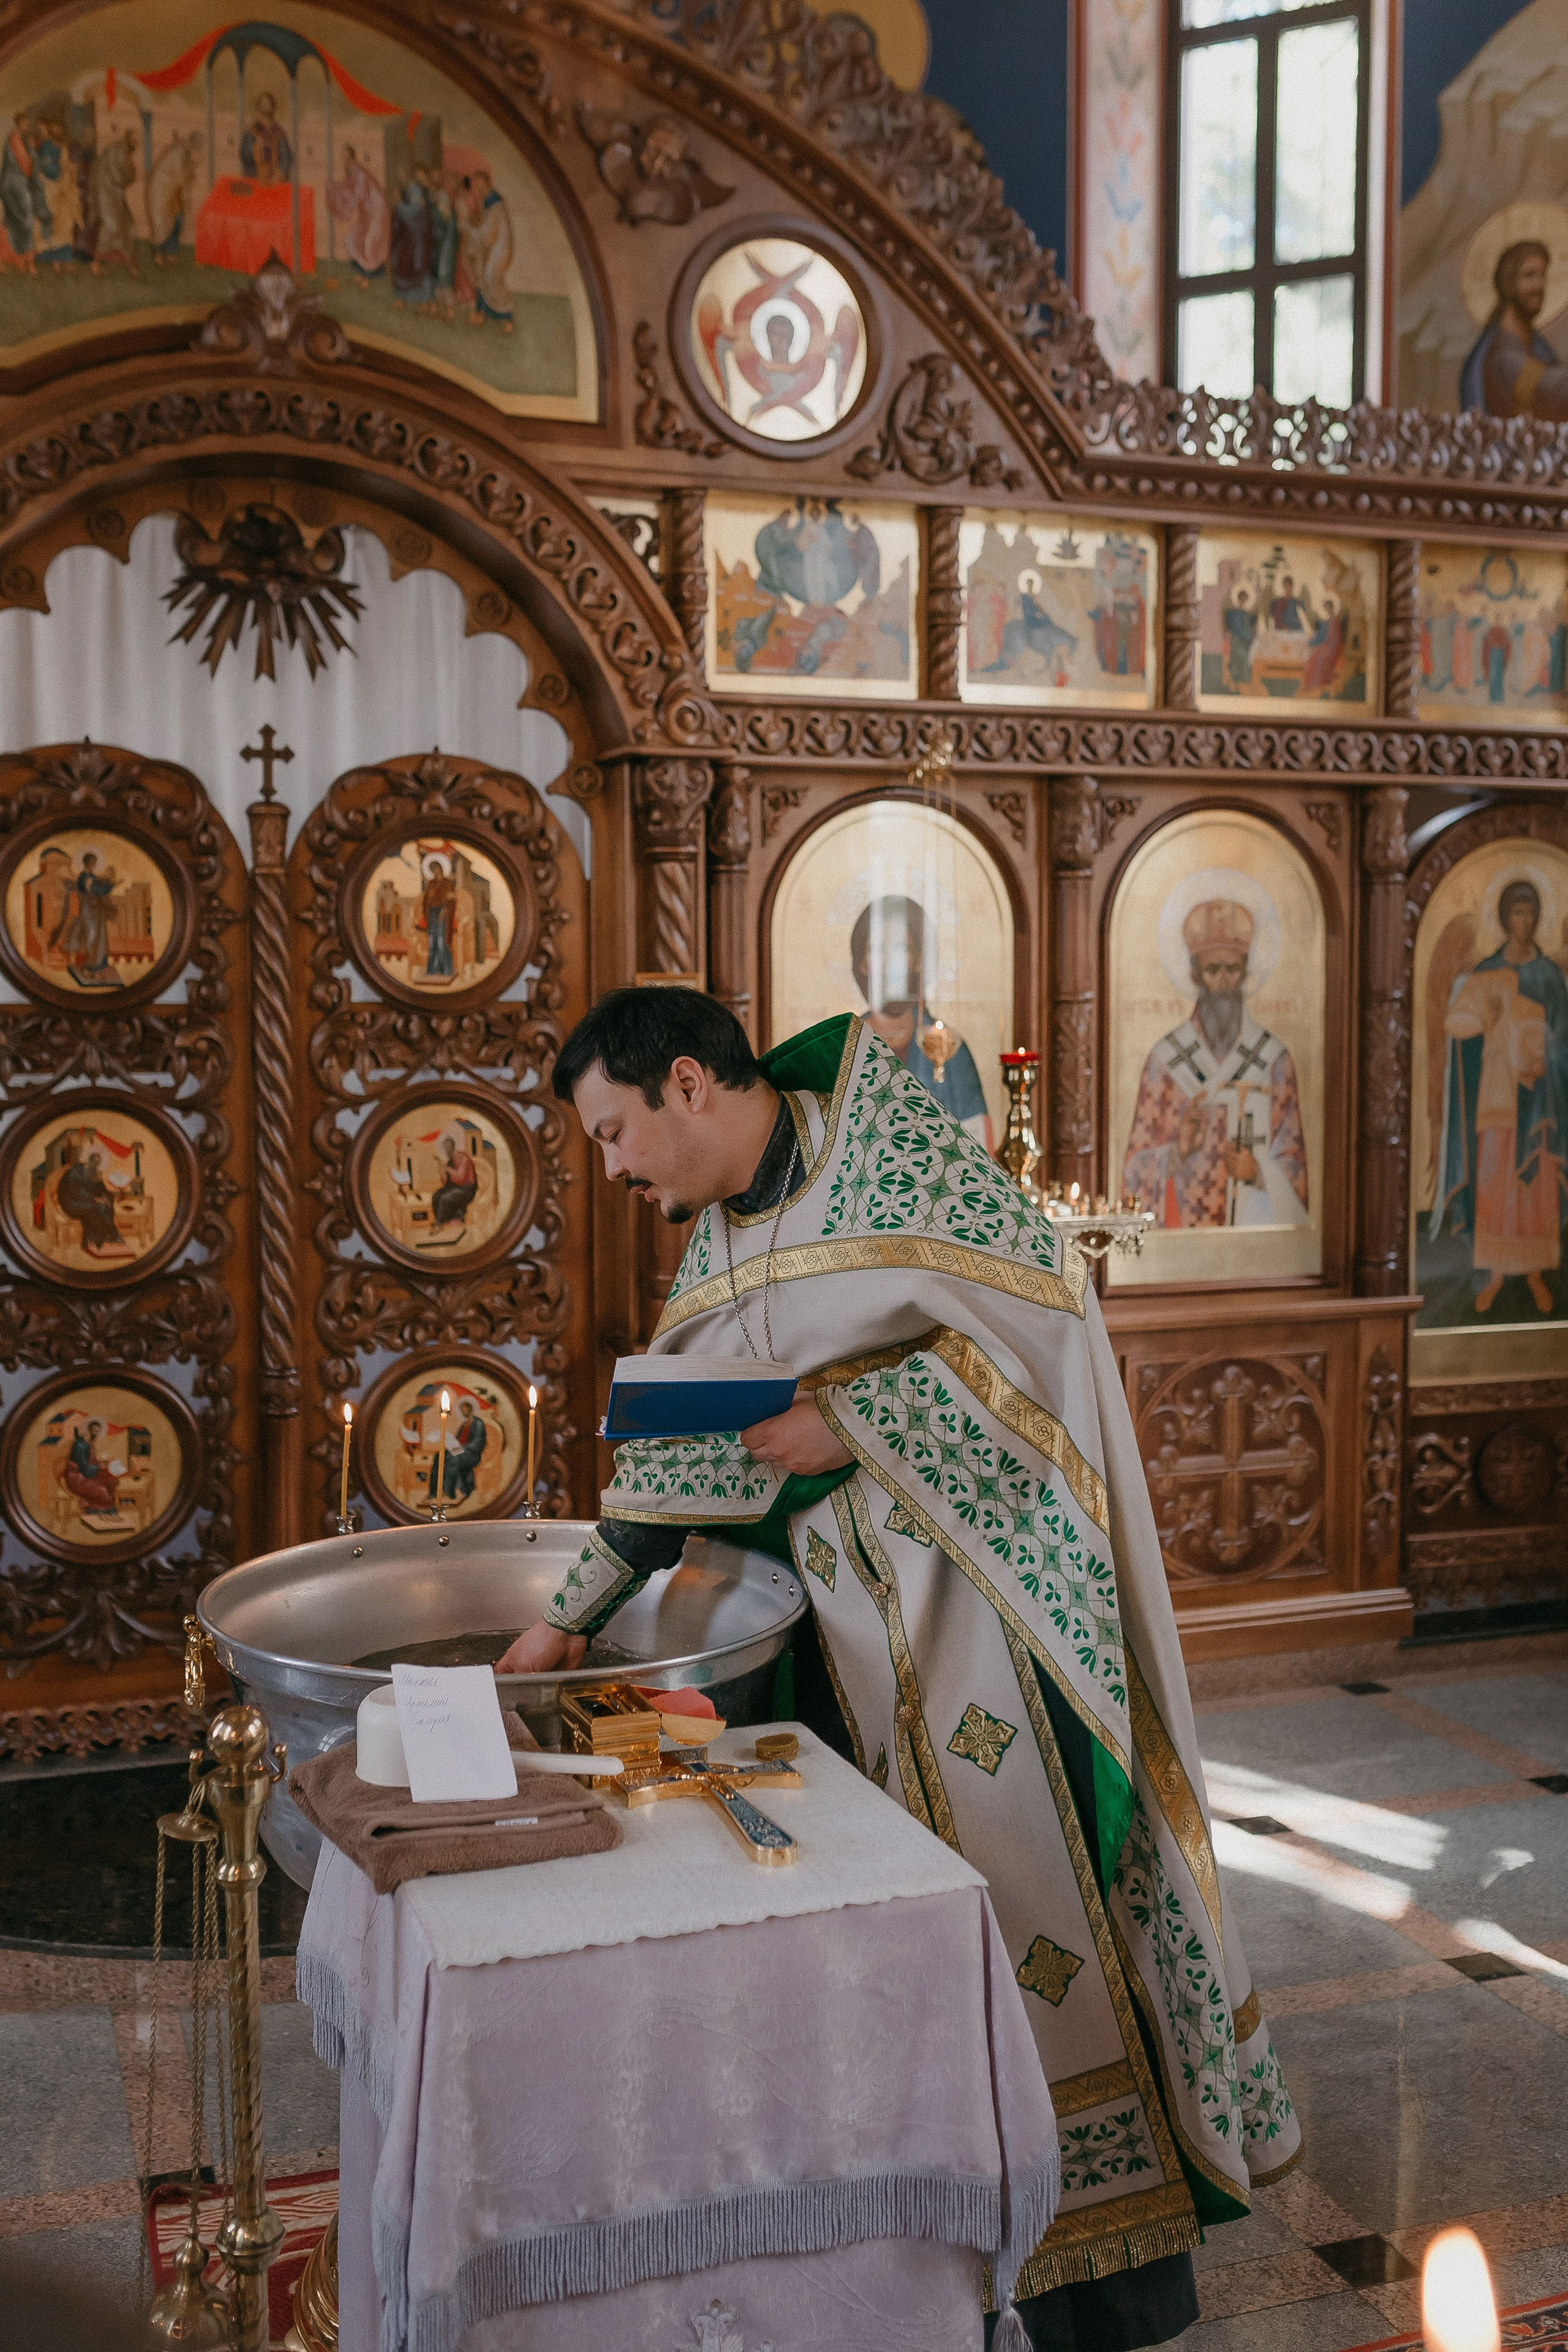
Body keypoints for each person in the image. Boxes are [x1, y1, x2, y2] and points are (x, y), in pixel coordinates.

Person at [498, 987, 1300, 2351]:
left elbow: (1046, 1352)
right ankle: (938, 2274)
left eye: (615, 1132)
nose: (615, 1168)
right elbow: (688, 1453)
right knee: (898, 1966)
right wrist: (566, 1617)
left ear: (687, 1084)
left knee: (1044, 1936)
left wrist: (850, 1417)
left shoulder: (901, 1160)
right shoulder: (723, 1240)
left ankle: (1108, 2296)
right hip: (846, 1658)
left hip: (999, 1628)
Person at [1123, 899, 1308, 1229]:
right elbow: (1134, 1169)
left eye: (1232, 969)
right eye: (1212, 970)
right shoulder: (1164, 1061)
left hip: (1254, 1238)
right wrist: (1177, 1153)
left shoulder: (1274, 1061)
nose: (1223, 982)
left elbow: (1294, 1164)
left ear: (1246, 971)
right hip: (1181, 1238)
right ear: (1196, 975)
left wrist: (1258, 1173)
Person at [1431, 878, 1568, 1316]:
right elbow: (1456, 1023)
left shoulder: (1549, 976)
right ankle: (1493, 1272)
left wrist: (1548, 1054)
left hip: (1539, 1095)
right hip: (1496, 1094)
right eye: (1516, 913)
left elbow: (1565, 1036)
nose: (1523, 922)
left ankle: (1534, 1272)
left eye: (1530, 914)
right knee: (1495, 1180)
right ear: (1505, 918)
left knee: (1536, 1186)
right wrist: (1485, 1017)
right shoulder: (1487, 971)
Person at [850, 894, 990, 1144]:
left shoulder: (949, 1049)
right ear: (863, 963)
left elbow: (978, 1145)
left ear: (918, 961)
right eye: (877, 948)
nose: (889, 963)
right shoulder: (845, 1048)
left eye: (900, 949)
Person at [1459, 238, 1568, 420]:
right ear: (1508, 283)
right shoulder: (1500, 355)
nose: (1539, 285)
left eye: (1542, 275)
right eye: (1529, 275)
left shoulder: (1538, 347)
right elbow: (1546, 390)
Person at [48, 851, 122, 987]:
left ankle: (96, 970)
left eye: (95, 862)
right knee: (92, 939)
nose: (94, 865)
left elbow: (97, 885)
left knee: (100, 940)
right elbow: (94, 890)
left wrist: (109, 883)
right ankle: (89, 969)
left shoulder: (91, 876)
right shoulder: (84, 877)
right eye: (92, 862)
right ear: (88, 863)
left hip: (96, 913)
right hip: (88, 912)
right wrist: (112, 886)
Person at [327, 145, 391, 277]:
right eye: (342, 155)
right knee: (353, 238)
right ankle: (366, 270)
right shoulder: (351, 171)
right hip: (367, 211)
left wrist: (348, 210)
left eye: (345, 154)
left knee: (371, 242)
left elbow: (359, 193)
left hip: (376, 210)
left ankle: (372, 272)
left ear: (351, 155)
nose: (343, 158)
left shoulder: (359, 172)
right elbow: (349, 189)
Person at [56, 1146, 130, 1257]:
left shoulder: (95, 1175)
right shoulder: (76, 1171)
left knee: (104, 1206)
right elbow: (74, 1191)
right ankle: (111, 1237)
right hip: (71, 1203)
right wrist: (94, 1199)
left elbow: (102, 1190)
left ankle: (97, 1240)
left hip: (87, 1203)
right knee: (97, 1207)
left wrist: (107, 1197)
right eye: (94, 1162)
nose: (96, 1165)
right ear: (89, 1160)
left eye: (98, 1163)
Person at [432, 1401, 486, 1506]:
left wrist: (463, 1448)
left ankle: (451, 1493)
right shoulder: (464, 1425)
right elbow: (458, 1440)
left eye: (465, 1409)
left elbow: (479, 1442)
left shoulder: (478, 1423)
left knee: (454, 1459)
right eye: (462, 1409)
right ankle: (435, 1492)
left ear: (470, 1409)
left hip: (472, 1455)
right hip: (459, 1452)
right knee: (439, 1456)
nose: (463, 1411)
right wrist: (452, 1444)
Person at [64, 1417, 118, 1515]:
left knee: (111, 1482)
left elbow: (92, 1463)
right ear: (89, 1430)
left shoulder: (89, 1444)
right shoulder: (80, 1445)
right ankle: (95, 1511)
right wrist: (100, 1467)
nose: (96, 1434)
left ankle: (108, 1511)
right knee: (102, 1491)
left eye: (98, 1432)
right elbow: (84, 1468)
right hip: (77, 1478)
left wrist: (104, 1463)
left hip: (88, 1473)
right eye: (94, 1431)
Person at [239, 90, 292, 187]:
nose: (266, 106)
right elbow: (245, 154)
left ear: (273, 106)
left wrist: (280, 174)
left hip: (276, 180)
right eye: (263, 104)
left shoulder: (279, 132)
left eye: (268, 104)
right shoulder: (252, 131)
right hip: (255, 177)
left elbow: (286, 156)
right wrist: (256, 147)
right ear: (259, 106)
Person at [429, 1134, 478, 1233]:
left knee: (445, 1198)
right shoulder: (450, 1161)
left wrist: (447, 1168)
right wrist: (441, 1168)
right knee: (436, 1195)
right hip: (456, 1187)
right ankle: (443, 1220)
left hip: (467, 1189)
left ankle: (439, 1224)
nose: (447, 1150)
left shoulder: (463, 1159)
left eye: (449, 1147)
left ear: (453, 1146)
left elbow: (460, 1178)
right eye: (445, 1148)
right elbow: (446, 1182)